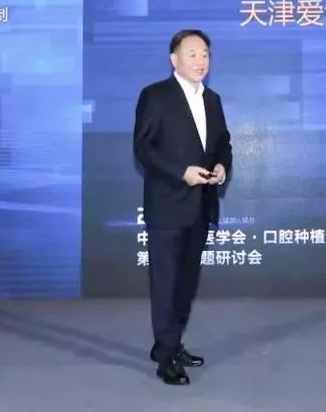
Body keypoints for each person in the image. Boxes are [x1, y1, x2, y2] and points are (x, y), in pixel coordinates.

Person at [133, 29, 232, 385]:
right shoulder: (155, 95)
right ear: (174, 59)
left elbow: (223, 144)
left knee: (186, 284)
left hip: (201, 206)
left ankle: (172, 344)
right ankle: (166, 358)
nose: (200, 61)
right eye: (192, 54)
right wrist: (181, 172)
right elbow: (144, 148)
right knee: (166, 285)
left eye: (205, 54)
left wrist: (222, 166)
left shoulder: (213, 100)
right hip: (167, 205)